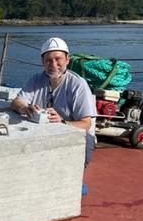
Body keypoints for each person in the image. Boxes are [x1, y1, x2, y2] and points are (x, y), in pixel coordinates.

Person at [10, 37, 97, 166]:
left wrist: (61, 122)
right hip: (47, 134)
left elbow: (86, 124)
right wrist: (24, 108)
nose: (53, 64)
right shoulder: (36, 80)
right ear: (42, 62)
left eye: (58, 59)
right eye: (48, 60)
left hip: (78, 138)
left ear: (67, 60)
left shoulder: (78, 84)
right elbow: (16, 102)